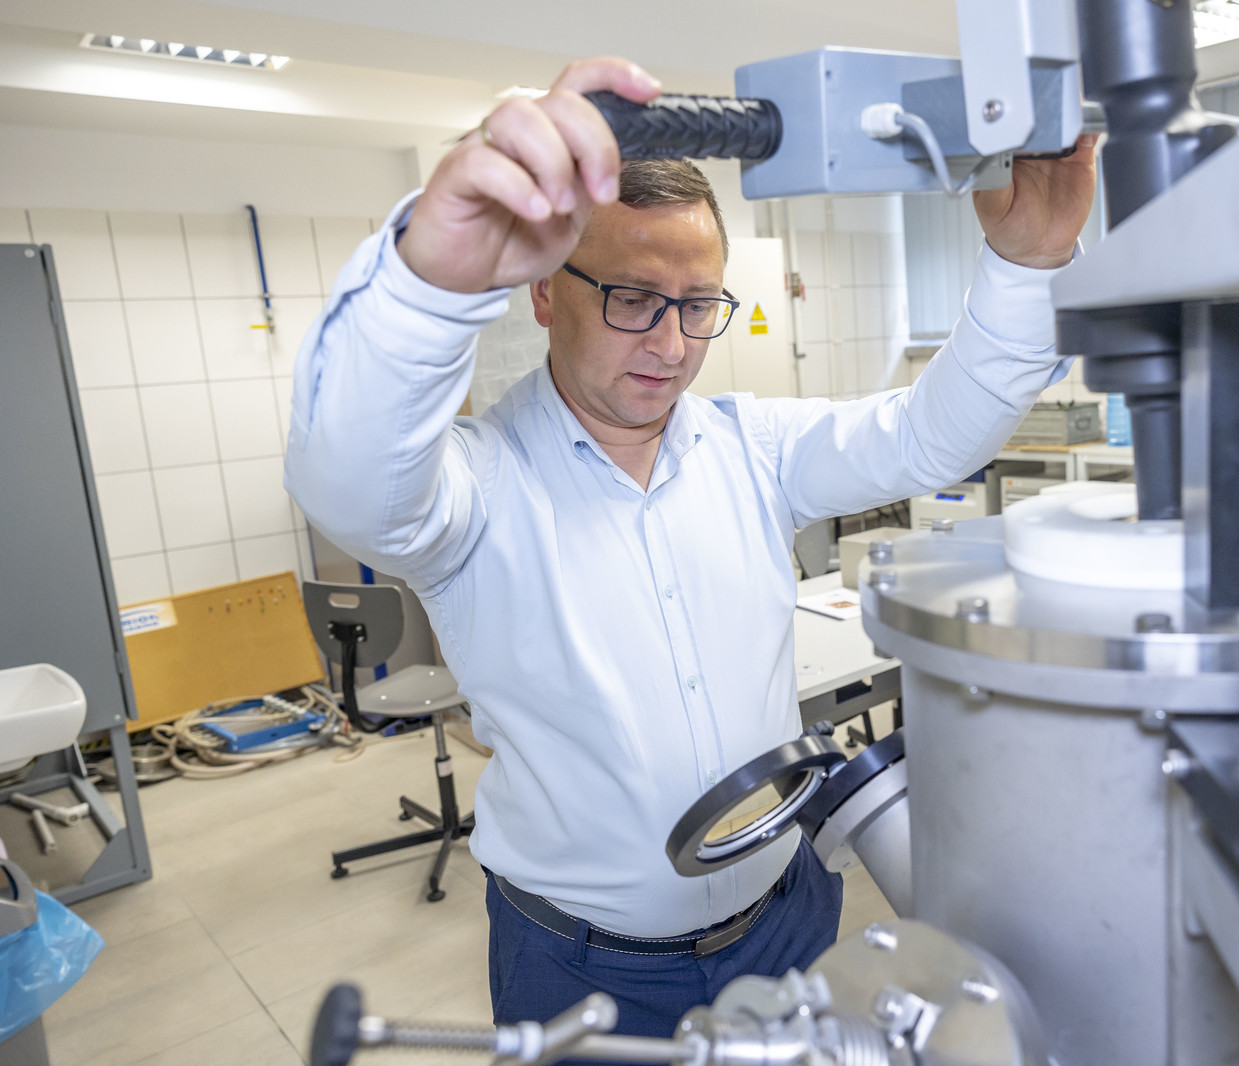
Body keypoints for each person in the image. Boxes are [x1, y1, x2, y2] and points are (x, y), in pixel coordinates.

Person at [284, 55, 1098, 1037]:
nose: (671, 345)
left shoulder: (753, 448)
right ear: (543, 292)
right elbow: (352, 486)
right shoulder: (479, 489)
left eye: (700, 304)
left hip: (788, 918)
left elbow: (931, 437)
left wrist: (1026, 264)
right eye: (632, 299)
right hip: (584, 966)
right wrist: (427, 287)